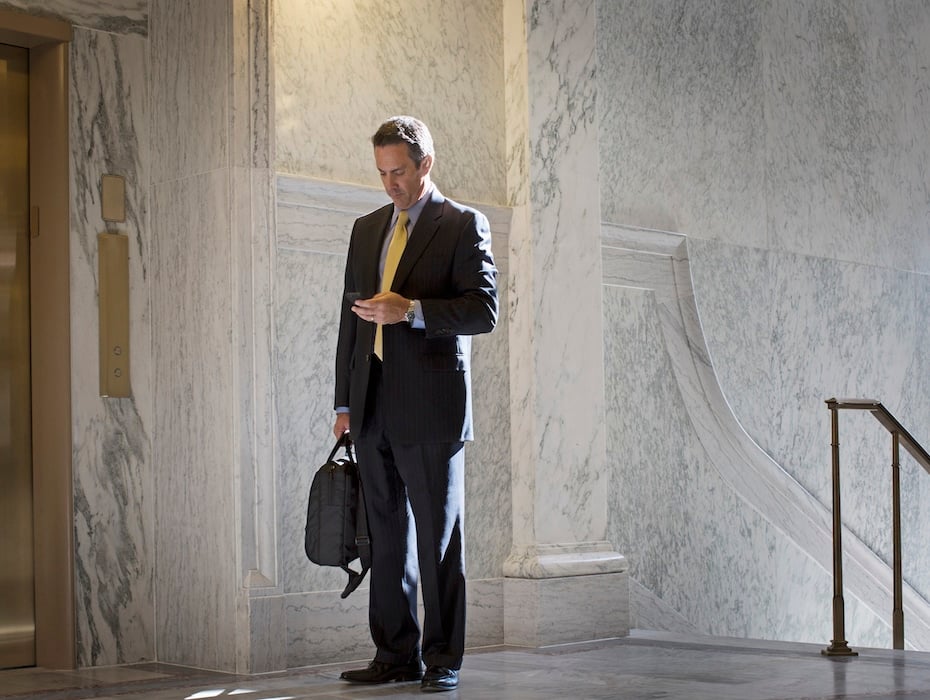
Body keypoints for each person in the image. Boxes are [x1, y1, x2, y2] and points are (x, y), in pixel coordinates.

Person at [332, 116, 498, 692]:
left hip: (432, 408)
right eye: (381, 173)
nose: (389, 185)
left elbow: (484, 310)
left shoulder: (462, 225)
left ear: (425, 164)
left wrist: (414, 310)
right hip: (371, 403)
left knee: (437, 540)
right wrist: (344, 403)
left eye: (398, 171)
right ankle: (395, 654)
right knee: (385, 537)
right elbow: (349, 320)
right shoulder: (366, 228)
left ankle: (443, 657)